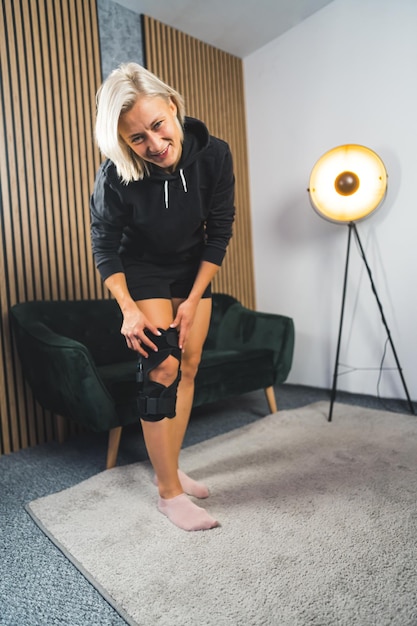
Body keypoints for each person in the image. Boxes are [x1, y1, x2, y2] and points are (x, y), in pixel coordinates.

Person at [90, 63, 235, 531]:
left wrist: (193, 299)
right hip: (144, 270)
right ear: (122, 142)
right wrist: (129, 309)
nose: (154, 144)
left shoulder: (214, 155)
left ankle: (170, 468)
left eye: (158, 126)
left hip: (193, 269)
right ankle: (169, 494)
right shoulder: (115, 176)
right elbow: (104, 245)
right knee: (162, 370)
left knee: (189, 366)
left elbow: (220, 230)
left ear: (172, 107)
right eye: (137, 139)